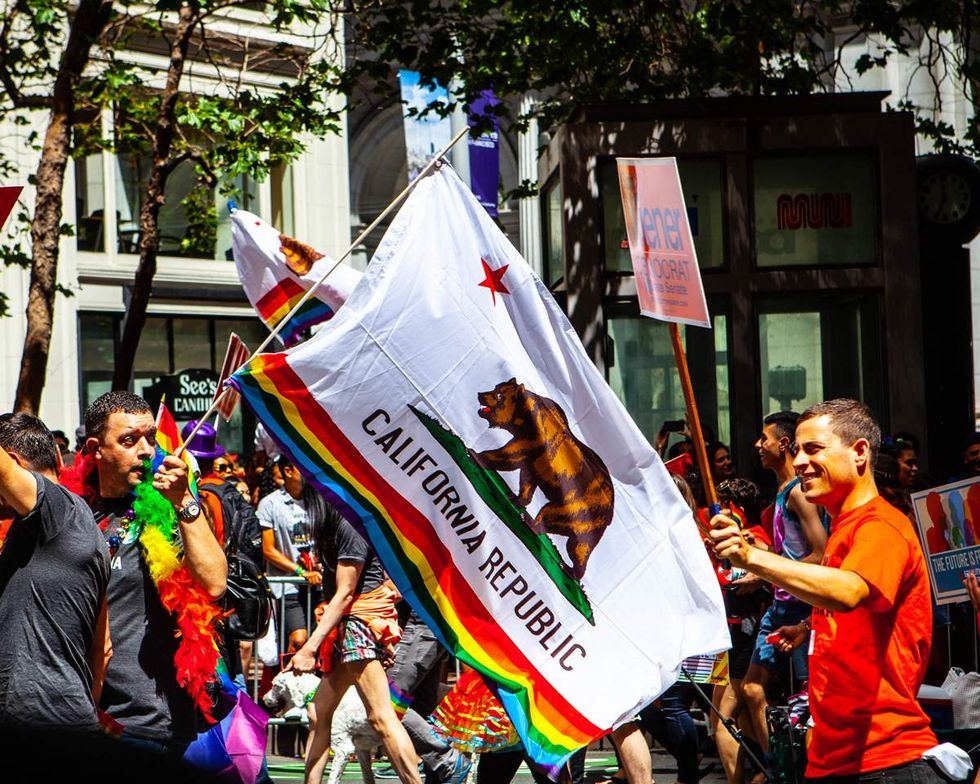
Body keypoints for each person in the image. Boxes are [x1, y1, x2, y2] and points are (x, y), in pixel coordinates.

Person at [709, 398, 954, 782]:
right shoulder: (844, 528)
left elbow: (850, 591)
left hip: (883, 762)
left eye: (814, 448)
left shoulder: (880, 525)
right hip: (836, 761)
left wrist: (751, 558)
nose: (800, 460)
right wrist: (808, 627)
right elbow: (847, 605)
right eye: (797, 449)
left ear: (859, 452)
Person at [76, 391, 227, 756]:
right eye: (129, 440)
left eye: (150, 438)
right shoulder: (76, 512)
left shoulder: (167, 511)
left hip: (146, 724)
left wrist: (184, 501)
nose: (145, 450)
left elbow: (214, 582)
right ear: (96, 448)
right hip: (81, 714)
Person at [287, 487, 421, 784]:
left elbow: (346, 594)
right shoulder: (335, 524)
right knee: (319, 714)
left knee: (381, 717)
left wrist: (310, 647)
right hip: (347, 627)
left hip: (356, 625)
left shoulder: (348, 523)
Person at [0, 413, 111, 733]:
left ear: (12, 463)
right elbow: (103, 648)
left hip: (41, 726)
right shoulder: (77, 522)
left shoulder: (57, 506)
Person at [739, 411, 827, 768]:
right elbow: (788, 553)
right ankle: (778, 767)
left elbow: (821, 553)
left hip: (802, 609)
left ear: (784, 444)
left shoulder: (799, 494)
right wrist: (756, 557)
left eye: (764, 438)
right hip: (779, 606)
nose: (758, 445)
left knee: (810, 702)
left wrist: (765, 573)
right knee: (750, 688)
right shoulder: (781, 492)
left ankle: (803, 769)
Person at [258, 454, 322, 654]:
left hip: (320, 583)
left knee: (321, 641)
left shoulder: (319, 500)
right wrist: (300, 570)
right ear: (288, 471)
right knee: (299, 639)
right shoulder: (270, 503)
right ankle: (290, 682)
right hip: (289, 585)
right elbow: (268, 549)